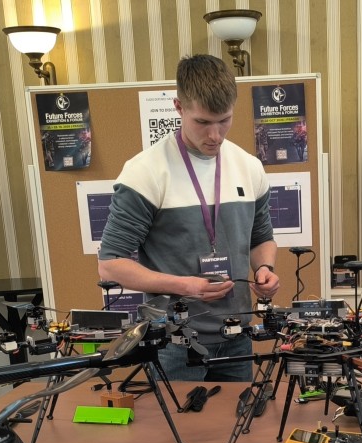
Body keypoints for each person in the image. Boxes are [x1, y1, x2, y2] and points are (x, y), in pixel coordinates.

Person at [98, 54, 279, 381]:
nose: (215, 135)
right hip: (173, 342)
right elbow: (111, 265)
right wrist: (184, 286)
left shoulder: (250, 167)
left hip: (236, 338)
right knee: (177, 418)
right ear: (179, 107)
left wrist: (264, 268)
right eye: (203, 122)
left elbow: (261, 238)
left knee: (238, 415)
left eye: (224, 120)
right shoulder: (145, 172)